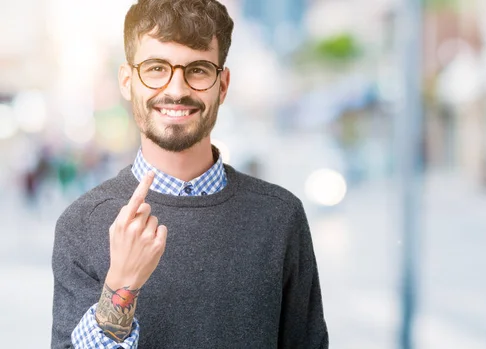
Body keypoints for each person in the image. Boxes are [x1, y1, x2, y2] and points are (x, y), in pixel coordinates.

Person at [50, 0, 329, 347]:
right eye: (155, 69)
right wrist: (121, 283)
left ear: (222, 85)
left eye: (197, 70)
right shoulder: (81, 223)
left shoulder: (280, 216)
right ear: (126, 81)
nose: (177, 89)